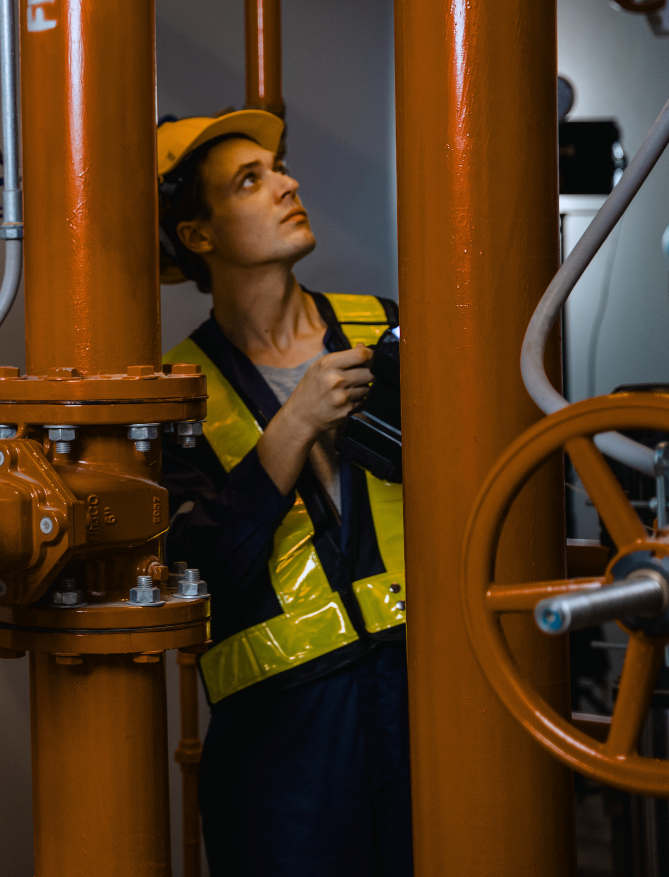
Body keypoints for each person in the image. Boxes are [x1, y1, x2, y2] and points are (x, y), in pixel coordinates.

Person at [157, 112, 411, 877]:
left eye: (278, 167)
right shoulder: (173, 394)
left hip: (420, 685)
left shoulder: (384, 330)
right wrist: (293, 424)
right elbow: (195, 570)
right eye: (250, 180)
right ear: (198, 236)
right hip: (281, 740)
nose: (288, 184)